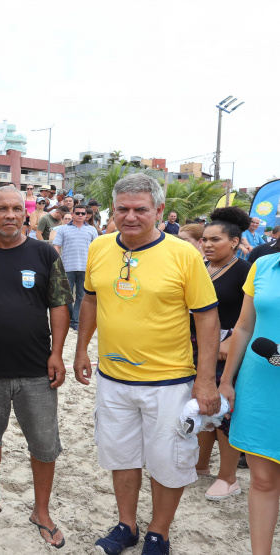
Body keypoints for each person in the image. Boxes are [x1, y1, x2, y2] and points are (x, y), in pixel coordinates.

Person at [73, 174, 220, 555]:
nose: (131, 216)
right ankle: (127, 525)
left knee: (168, 461)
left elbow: (206, 317)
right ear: (113, 210)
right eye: (122, 209)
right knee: (120, 457)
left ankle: (159, 532)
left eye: (141, 209)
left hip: (168, 382)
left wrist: (206, 381)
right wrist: (80, 350)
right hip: (113, 378)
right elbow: (89, 300)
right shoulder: (101, 247)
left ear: (158, 210)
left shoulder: (184, 254)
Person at [0, 186, 71, 548]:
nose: (9, 214)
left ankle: (42, 511)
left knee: (43, 444)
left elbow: (58, 306)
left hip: (38, 370)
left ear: (26, 215)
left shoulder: (44, 254)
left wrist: (57, 353)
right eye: (1, 209)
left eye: (16, 209)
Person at [220, 247, 280, 555]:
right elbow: (244, 327)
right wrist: (226, 380)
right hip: (261, 387)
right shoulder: (265, 266)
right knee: (262, 480)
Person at [189, 207, 250, 501]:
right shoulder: (200, 267)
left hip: (227, 350)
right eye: (205, 239)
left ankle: (228, 477)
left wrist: (232, 341)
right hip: (195, 346)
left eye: (216, 239)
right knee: (201, 408)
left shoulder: (245, 271)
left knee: (224, 412)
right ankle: (200, 466)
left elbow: (251, 316)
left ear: (235, 242)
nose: (208, 244)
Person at [52, 203, 98, 331]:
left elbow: (95, 250)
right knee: (66, 297)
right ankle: (71, 318)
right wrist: (57, 265)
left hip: (85, 268)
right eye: (77, 213)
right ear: (72, 214)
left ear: (86, 215)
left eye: (83, 213)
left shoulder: (92, 230)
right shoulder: (63, 229)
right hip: (67, 267)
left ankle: (75, 321)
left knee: (81, 296)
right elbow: (56, 247)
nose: (80, 215)